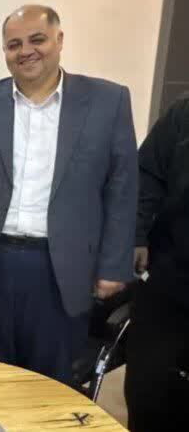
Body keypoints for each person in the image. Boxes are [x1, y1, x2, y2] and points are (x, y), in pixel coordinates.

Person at [0, 5, 137, 384]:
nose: (26, 51)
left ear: (59, 40)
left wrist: (114, 265)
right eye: (14, 44)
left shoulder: (107, 101)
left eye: (37, 40)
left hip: (65, 265)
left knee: (52, 380)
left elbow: (122, 187)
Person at [125, 96, 189, 431]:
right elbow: (146, 176)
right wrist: (136, 236)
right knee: (148, 391)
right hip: (169, 277)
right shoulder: (183, 114)